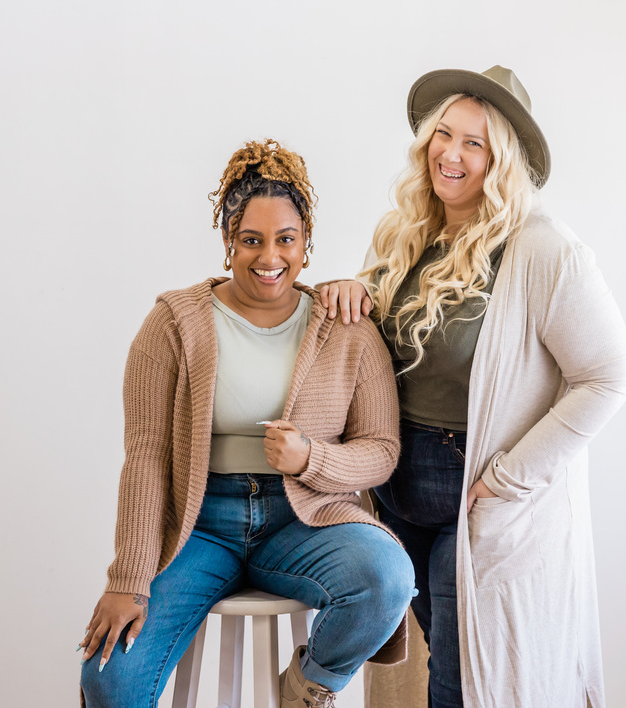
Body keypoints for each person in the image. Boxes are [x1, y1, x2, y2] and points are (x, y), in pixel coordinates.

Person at [319, 66, 626, 707]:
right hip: (395, 489)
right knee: (430, 672)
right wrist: (354, 287)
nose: (451, 154)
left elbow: (607, 377)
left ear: (503, 161)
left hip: (477, 498)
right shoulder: (406, 234)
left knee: (464, 684)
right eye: (445, 134)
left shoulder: (545, 251)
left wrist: (507, 480)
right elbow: (381, 353)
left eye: (475, 143)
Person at [79, 139, 415, 708]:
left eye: (286, 239)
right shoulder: (174, 324)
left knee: (387, 578)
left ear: (306, 244)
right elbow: (145, 460)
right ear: (228, 242)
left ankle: (307, 688)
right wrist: (127, 580)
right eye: (251, 240)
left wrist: (314, 458)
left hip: (303, 519)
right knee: (110, 679)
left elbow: (381, 450)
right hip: (199, 524)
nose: (269, 257)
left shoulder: (348, 327)